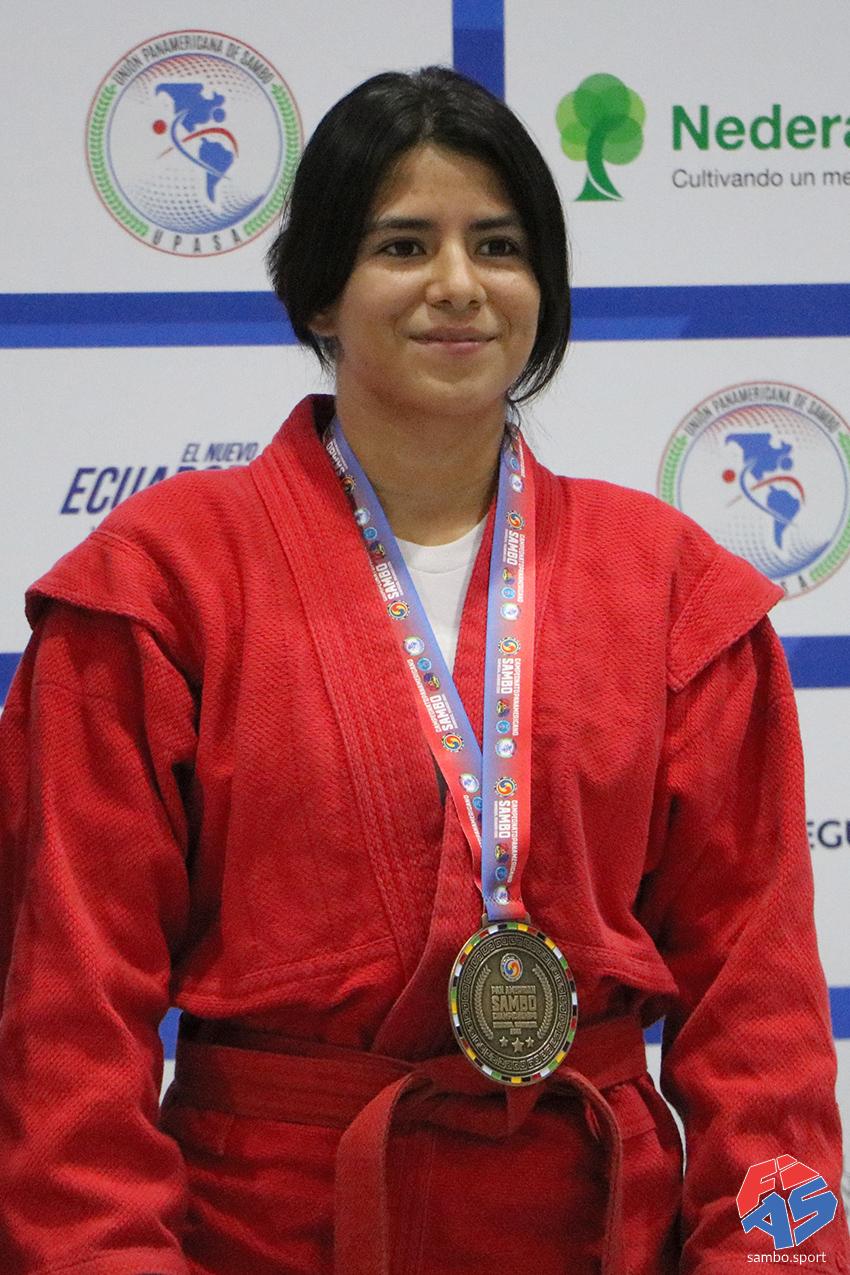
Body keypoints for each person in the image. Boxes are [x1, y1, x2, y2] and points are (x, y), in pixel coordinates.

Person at [0, 66, 847, 1275]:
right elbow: (70, 1014)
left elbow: (757, 1013)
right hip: (265, 1239)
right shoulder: (159, 588)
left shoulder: (671, 591)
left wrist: (777, 1257)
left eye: (498, 246)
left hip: (601, 1230)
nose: (458, 284)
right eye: (403, 245)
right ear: (320, 291)